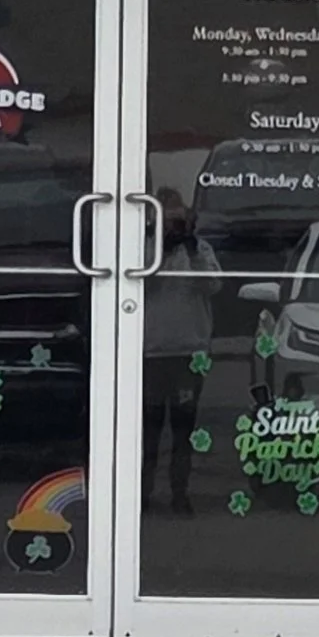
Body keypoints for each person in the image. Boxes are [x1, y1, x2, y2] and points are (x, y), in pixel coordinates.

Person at [140, 187, 215, 514]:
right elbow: (141, 281)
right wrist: (160, 247)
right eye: (166, 219)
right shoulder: (142, 247)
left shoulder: (199, 250)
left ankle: (179, 492)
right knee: (148, 429)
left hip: (189, 350)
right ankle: (141, 492)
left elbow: (213, 285)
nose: (172, 226)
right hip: (151, 351)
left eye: (178, 220)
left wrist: (191, 248)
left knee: (183, 428)